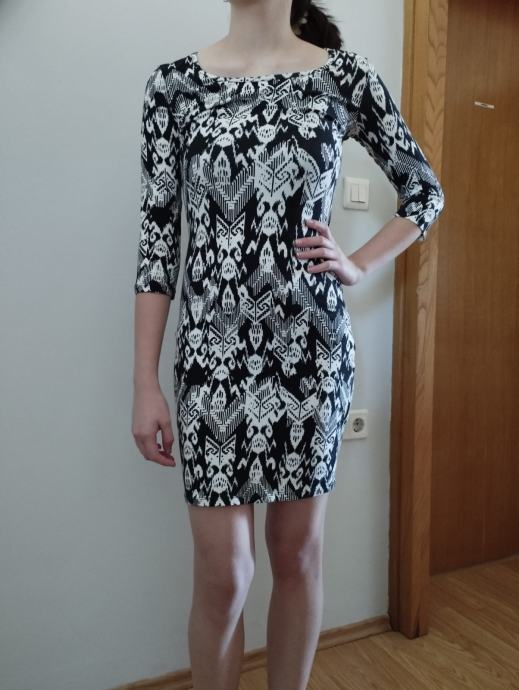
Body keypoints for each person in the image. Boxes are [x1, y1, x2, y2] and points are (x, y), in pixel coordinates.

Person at [131, 0, 445, 688]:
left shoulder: (343, 77)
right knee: (224, 575)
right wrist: (145, 382)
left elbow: (423, 191)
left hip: (310, 355)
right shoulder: (173, 86)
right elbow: (157, 244)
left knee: (297, 556)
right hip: (210, 360)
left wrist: (357, 264)